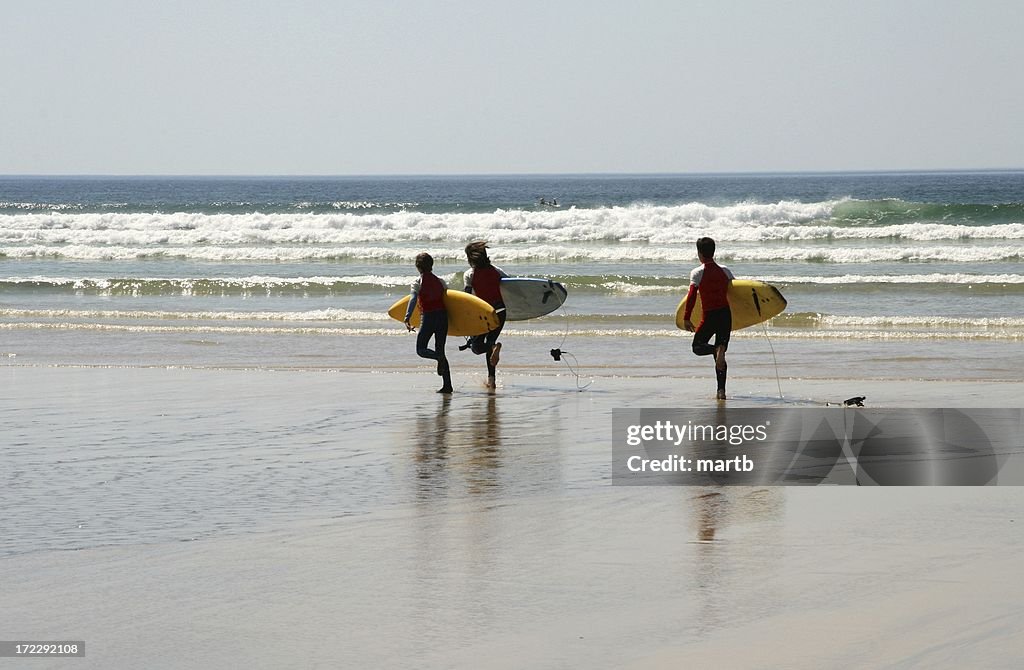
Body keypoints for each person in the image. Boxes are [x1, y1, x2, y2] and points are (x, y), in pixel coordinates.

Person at [681, 237, 735, 400]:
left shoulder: (697, 272)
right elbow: (736, 293)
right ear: (713, 252)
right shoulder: (725, 270)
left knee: (697, 347)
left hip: (710, 316)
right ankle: (721, 391)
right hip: (725, 315)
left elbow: (691, 296)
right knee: (721, 354)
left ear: (699, 254)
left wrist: (686, 317)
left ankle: (714, 350)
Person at [404, 252, 453, 393]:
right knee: (441, 350)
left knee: (421, 349)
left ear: (417, 267)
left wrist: (407, 317)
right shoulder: (441, 281)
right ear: (432, 265)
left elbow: (413, 299)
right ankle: (447, 385)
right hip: (443, 317)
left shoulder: (417, 282)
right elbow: (450, 299)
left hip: (429, 317)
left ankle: (439, 358)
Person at [462, 240, 508, 388]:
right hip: (500, 312)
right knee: (490, 343)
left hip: (483, 314)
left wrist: (464, 318)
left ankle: (492, 377)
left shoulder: (469, 274)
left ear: (470, 258)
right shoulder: (497, 271)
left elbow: (466, 299)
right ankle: (491, 380)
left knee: (476, 347)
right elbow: (512, 285)